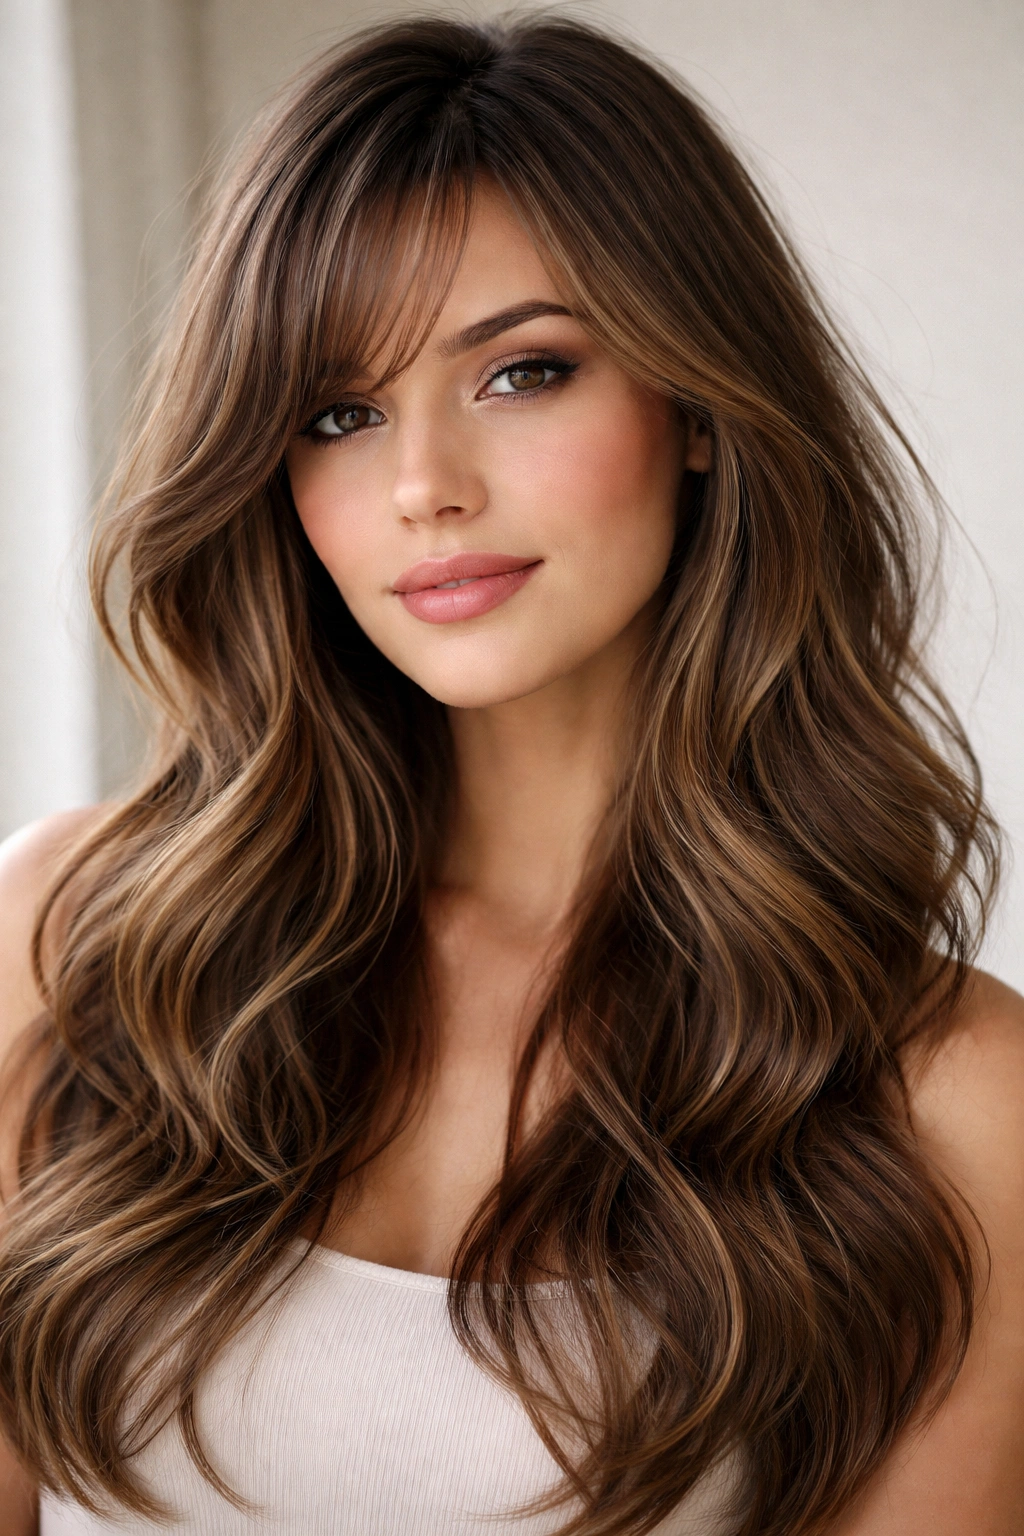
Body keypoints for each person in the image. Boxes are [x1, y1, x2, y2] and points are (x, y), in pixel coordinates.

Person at [0, 13, 1021, 1535]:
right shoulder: (71, 941)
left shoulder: (950, 1104)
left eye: (524, 372)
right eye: (338, 415)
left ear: (693, 405)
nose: (423, 487)